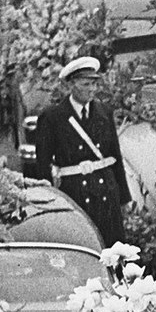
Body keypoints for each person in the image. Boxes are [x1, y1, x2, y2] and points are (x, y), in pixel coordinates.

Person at [31, 55, 128, 243]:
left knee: (113, 247)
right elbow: (42, 164)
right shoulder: (53, 117)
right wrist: (48, 202)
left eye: (94, 84)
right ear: (71, 85)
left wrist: (122, 197)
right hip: (74, 193)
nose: (92, 89)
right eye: (86, 84)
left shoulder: (104, 113)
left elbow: (114, 156)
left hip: (105, 193)